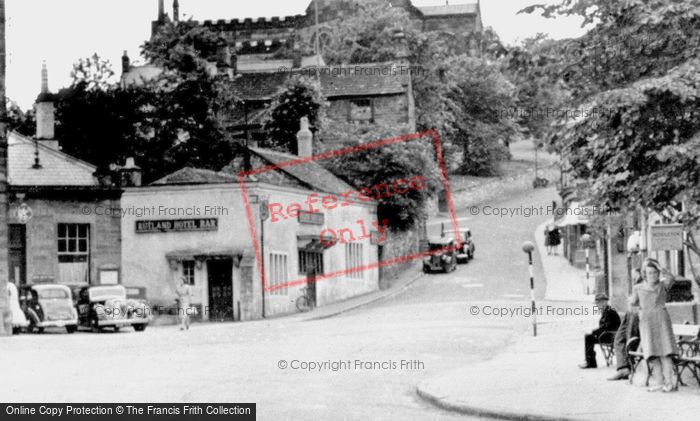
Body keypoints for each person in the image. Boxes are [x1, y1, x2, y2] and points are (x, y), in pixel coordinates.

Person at [629, 258, 678, 392]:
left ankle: (669, 383)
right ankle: (659, 382)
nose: (652, 275)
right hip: (647, 323)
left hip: (661, 321)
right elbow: (633, 304)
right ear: (645, 274)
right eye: (649, 273)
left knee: (665, 353)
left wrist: (659, 267)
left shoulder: (662, 286)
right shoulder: (638, 288)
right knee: (652, 354)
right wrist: (639, 312)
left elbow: (671, 277)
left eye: (655, 273)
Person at [608, 269, 643, 380]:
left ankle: (628, 368)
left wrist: (632, 300)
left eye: (635, 274)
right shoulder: (637, 284)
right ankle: (623, 367)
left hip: (636, 314)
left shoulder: (643, 284)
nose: (633, 277)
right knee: (619, 338)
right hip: (629, 313)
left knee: (630, 339)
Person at [579, 293, 621, 369]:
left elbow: (607, 327)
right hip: (608, 335)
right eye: (597, 303)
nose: (597, 305)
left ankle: (591, 362)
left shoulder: (610, 312)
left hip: (611, 337)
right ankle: (590, 361)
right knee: (589, 337)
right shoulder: (606, 311)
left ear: (604, 302)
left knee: (588, 338)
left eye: (598, 303)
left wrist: (594, 332)